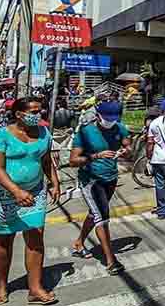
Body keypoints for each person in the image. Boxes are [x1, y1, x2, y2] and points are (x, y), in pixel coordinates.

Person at [0, 97, 60, 306]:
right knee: (4, 239)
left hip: (35, 191)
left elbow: (46, 160)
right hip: (3, 195)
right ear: (19, 114)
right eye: (34, 111)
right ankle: (2, 285)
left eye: (40, 110)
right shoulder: (0, 135)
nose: (38, 114)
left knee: (36, 238)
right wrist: (16, 191)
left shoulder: (44, 133)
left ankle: (35, 288)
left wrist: (54, 182)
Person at [69, 100, 130, 276]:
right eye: (107, 118)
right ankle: (111, 261)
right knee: (102, 217)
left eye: (113, 118)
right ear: (98, 115)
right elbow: (73, 161)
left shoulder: (120, 128)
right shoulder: (86, 131)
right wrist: (96, 156)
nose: (110, 122)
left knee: (94, 213)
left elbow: (127, 145)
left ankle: (79, 243)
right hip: (91, 180)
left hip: (110, 177)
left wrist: (126, 150)